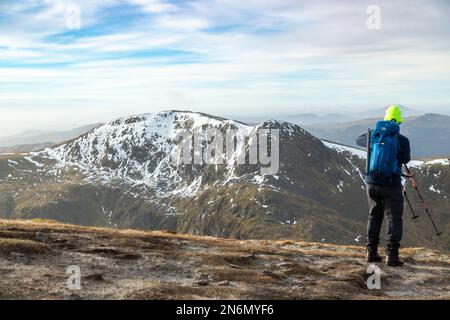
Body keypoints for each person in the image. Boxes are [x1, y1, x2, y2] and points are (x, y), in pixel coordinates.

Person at [356, 105, 411, 267]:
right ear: (399, 121)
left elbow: (358, 141)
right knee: (393, 218)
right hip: (391, 184)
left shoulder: (372, 134)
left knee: (374, 215)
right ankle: (391, 256)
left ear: (386, 118)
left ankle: (370, 253)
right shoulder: (402, 140)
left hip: (371, 183)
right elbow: (406, 158)